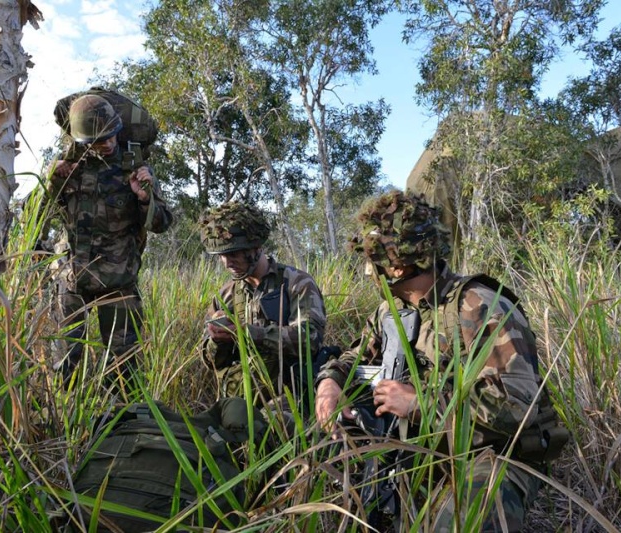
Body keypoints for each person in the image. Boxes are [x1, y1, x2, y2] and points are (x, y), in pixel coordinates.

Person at [314, 190, 567, 531]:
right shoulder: (390, 310)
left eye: (371, 263)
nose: (367, 272)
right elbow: (354, 357)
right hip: (421, 448)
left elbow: (518, 408)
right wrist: (330, 383)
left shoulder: (479, 307)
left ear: (397, 265)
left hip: (492, 454)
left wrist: (418, 402)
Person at [47, 94, 173, 382]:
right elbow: (37, 217)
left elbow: (162, 223)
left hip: (117, 285)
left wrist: (144, 197)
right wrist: (52, 183)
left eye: (111, 135)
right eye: (97, 140)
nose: (107, 143)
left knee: (123, 372)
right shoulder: (69, 168)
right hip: (73, 282)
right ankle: (66, 423)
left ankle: (121, 423)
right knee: (64, 368)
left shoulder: (134, 168)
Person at [198, 202, 327, 406]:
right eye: (221, 256)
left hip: (289, 400)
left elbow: (310, 339)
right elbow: (210, 361)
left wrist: (250, 334)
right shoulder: (226, 295)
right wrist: (217, 340)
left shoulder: (296, 283)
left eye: (233, 254)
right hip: (240, 401)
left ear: (256, 247)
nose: (227, 262)